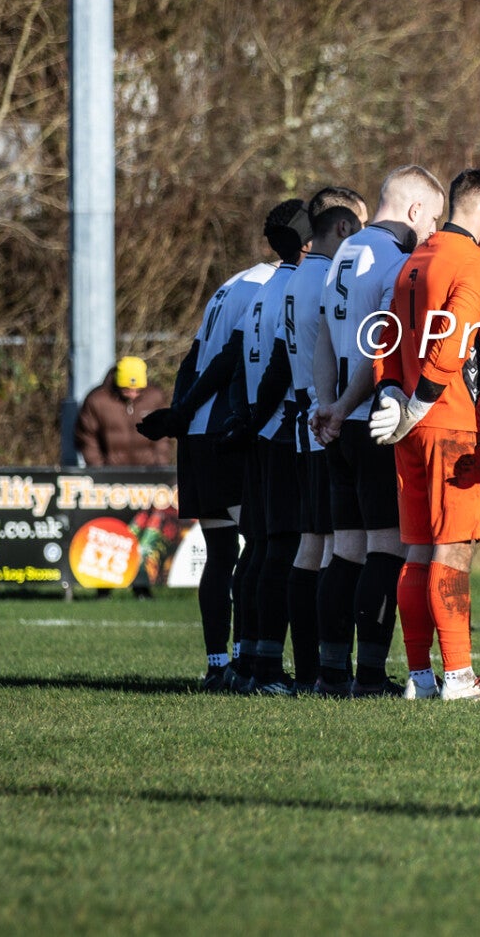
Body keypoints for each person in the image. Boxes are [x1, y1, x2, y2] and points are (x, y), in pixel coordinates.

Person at [371, 168, 480, 701]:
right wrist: (418, 403)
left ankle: (421, 677)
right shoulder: (475, 259)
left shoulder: (416, 257)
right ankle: (458, 676)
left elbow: (385, 338)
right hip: (453, 421)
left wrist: (393, 396)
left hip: (412, 426)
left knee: (417, 550)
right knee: (452, 551)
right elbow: (453, 342)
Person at [310, 165, 446, 697]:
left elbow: (325, 339)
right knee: (386, 549)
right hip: (373, 422)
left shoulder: (344, 253)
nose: (433, 231)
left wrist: (326, 405)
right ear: (414, 210)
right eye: (432, 219)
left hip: (341, 425)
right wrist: (345, 406)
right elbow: (383, 350)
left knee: (346, 550)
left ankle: (332, 672)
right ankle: (369, 674)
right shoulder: (396, 261)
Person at [139, 249, 275, 689]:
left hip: (197, 436)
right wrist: (183, 412)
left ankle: (218, 665)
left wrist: (180, 415)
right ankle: (245, 661)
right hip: (224, 432)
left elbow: (191, 358)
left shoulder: (229, 285)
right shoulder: (265, 286)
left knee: (221, 554)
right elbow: (229, 359)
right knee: (258, 546)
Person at [218, 198, 312, 695]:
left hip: (260, 430)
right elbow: (281, 364)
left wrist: (244, 417)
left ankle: (249, 660)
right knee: (280, 549)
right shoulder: (294, 287)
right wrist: (258, 419)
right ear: (309, 241)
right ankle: (267, 668)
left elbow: (239, 364)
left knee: (257, 548)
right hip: (279, 430)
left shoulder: (262, 288)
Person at [283, 187, 366, 693]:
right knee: (328, 549)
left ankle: (315, 668)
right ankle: (323, 668)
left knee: (314, 546)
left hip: (309, 420)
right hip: (325, 421)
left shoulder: (298, 276)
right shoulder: (328, 276)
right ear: (341, 226)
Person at [75, 357, 173, 467]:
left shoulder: (155, 397)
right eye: (126, 390)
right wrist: (98, 468)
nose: (132, 394)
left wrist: (161, 464)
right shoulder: (97, 400)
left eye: (138, 390)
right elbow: (87, 437)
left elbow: (163, 436)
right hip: (111, 471)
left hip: (150, 470)